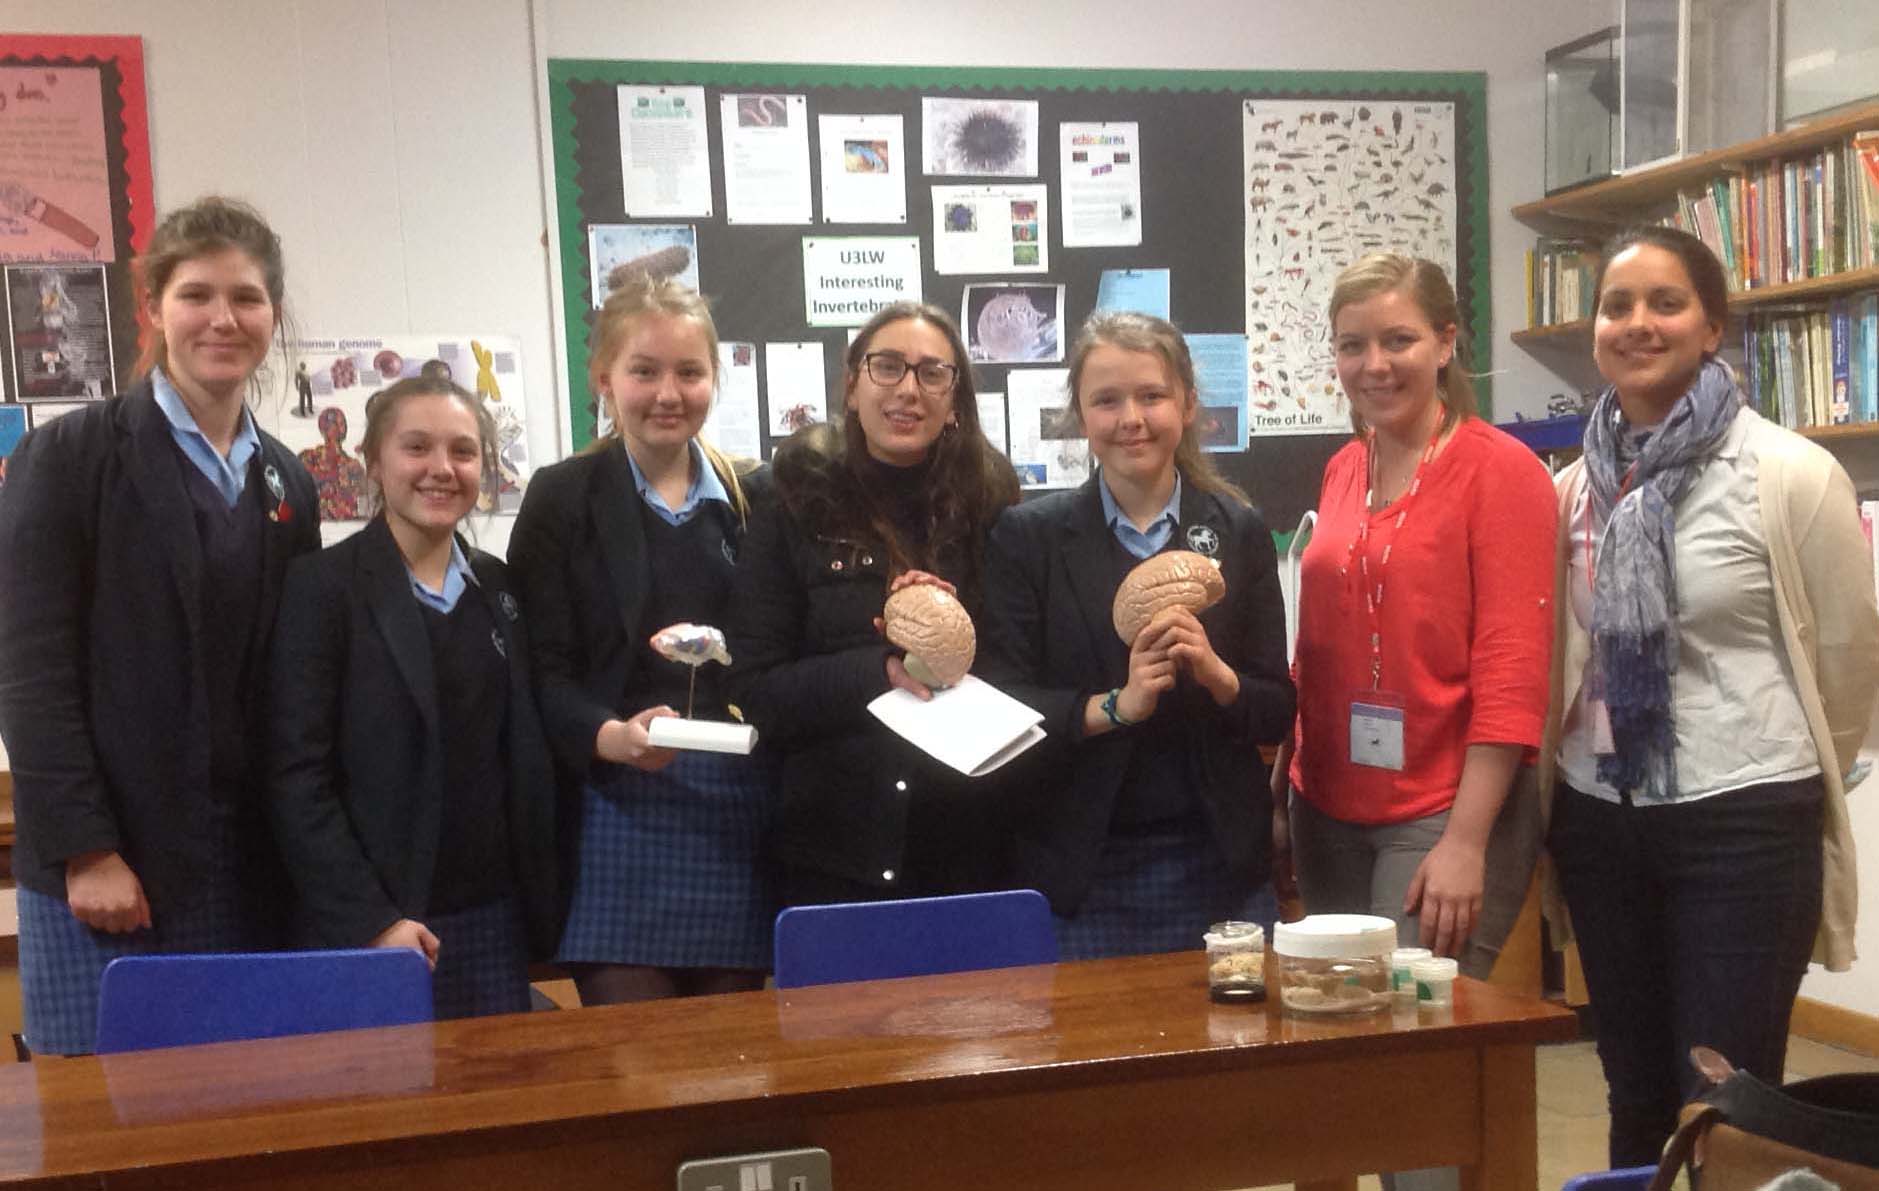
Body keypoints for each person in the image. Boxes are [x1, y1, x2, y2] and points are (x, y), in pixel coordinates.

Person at [1542, 225, 1879, 1167]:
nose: (1637, 323)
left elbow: (1849, 656)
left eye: (1665, 303)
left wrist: (1787, 767)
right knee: (1633, 1085)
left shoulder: (1788, 474)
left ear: (1712, 327)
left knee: (1725, 1094)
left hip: (1743, 818)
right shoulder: (1569, 491)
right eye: (1617, 305)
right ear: (1595, 327)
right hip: (1599, 816)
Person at [0, 197, 321, 1055]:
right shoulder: (68, 459)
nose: (224, 318)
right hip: (112, 868)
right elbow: (31, 674)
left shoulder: (288, 482)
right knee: (103, 1127)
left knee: (235, 1113)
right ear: (153, 309)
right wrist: (84, 849)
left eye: (247, 298)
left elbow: (294, 677)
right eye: (196, 294)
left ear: (273, 316)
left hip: (245, 862)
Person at [978, 311, 1294, 958]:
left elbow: (1276, 708)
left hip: (1219, 864)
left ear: (1187, 404)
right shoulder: (1026, 538)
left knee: (1229, 1052)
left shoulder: (1238, 531)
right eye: (1106, 399)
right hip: (1081, 867)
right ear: (1079, 414)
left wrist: (1215, 673)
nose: (1132, 418)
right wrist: (1115, 707)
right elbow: (1005, 706)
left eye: (1151, 395)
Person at [1279, 252, 1555, 970]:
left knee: (1412, 1034)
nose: (1374, 364)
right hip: (1327, 806)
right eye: (1351, 345)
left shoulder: (1501, 470)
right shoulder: (1346, 466)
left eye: (1396, 340)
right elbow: (1321, 643)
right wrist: (1283, 785)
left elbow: (1512, 670)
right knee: (1339, 1027)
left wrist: (1466, 841)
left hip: (1443, 809)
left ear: (1445, 342)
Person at [507, 274, 774, 1005]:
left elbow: (774, 652)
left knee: (732, 1066)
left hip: (732, 810)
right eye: (644, 370)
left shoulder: (757, 497)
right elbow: (542, 672)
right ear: (604, 378)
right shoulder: (562, 497)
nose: (668, 392)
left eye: (689, 372)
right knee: (633, 1064)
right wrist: (610, 735)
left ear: (715, 378)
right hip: (614, 803)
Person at [267, 376, 558, 1019]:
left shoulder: (500, 589)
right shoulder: (323, 589)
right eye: (417, 447)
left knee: (493, 1103)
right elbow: (295, 777)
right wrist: (372, 921)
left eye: (462, 451)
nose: (441, 469)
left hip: (490, 922)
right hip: (374, 927)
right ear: (374, 461)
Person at [725, 302, 1019, 906]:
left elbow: (1021, 663)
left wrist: (955, 643)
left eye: (932, 372)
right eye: (888, 367)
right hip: (831, 850)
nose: (909, 390)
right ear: (853, 383)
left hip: (967, 844)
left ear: (955, 396)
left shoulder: (992, 500)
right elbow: (757, 690)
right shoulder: (788, 499)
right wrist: (879, 666)